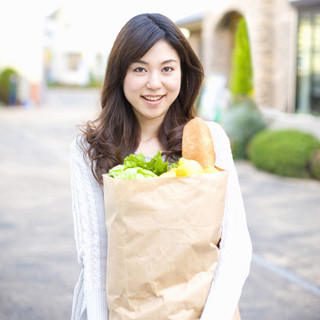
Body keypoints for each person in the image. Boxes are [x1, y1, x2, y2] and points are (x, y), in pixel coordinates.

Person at [70, 13, 252, 320]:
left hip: (203, 309)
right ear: (120, 75)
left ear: (183, 73)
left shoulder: (208, 139)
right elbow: (96, 254)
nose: (154, 83)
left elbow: (235, 245)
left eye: (167, 68)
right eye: (139, 68)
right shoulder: (90, 149)